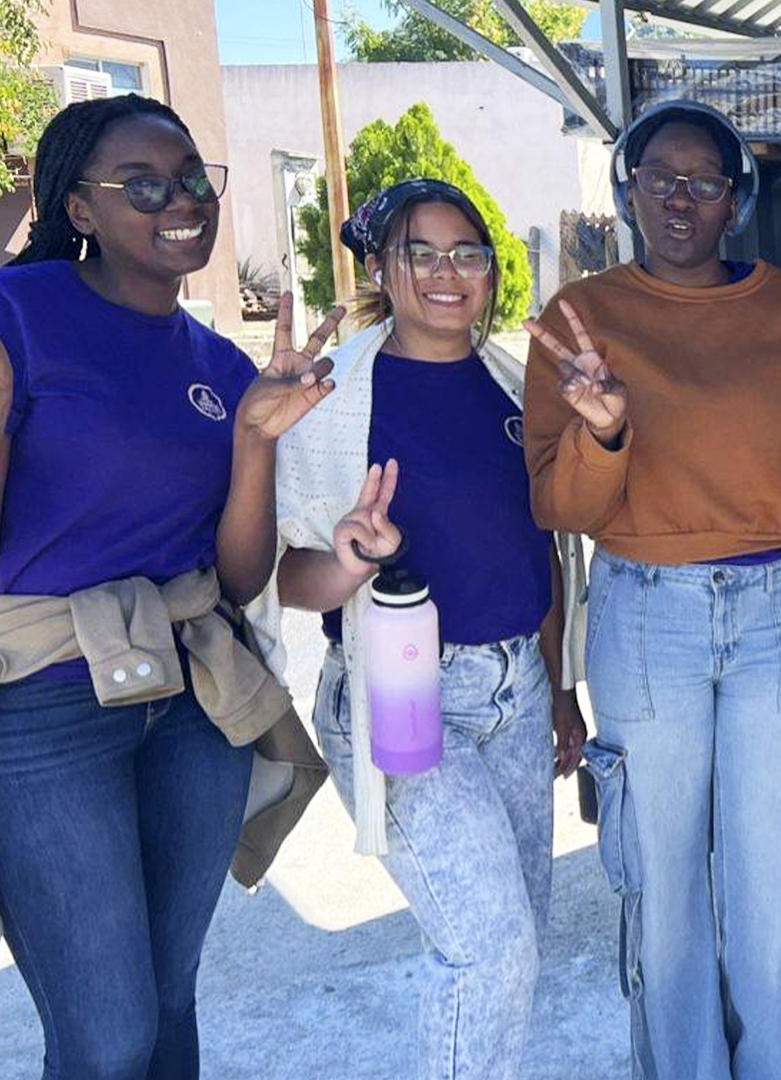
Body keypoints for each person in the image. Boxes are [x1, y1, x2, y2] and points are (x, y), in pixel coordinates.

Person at [0, 95, 336, 1075]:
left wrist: (251, 439)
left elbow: (239, 578)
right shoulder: (7, 317)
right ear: (81, 209)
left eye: (193, 177)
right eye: (143, 185)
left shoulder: (217, 361)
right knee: (106, 1033)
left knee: (166, 1000)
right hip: (44, 706)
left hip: (191, 703)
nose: (181, 200)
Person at [523, 100, 781, 1079]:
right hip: (646, 616)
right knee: (665, 894)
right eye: (658, 179)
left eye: (704, 182)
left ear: (738, 201)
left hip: (779, 613)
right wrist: (602, 434)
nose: (680, 198)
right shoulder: (579, 319)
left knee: (776, 898)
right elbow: (557, 506)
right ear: (626, 191)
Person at [267, 179, 586, 1079]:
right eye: (422, 252)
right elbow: (268, 575)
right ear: (381, 265)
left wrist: (560, 691)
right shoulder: (333, 400)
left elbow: (544, 553)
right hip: (401, 693)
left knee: (519, 929)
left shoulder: (511, 386)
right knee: (487, 945)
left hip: (518, 688)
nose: (449, 273)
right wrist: (351, 563)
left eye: (469, 253)